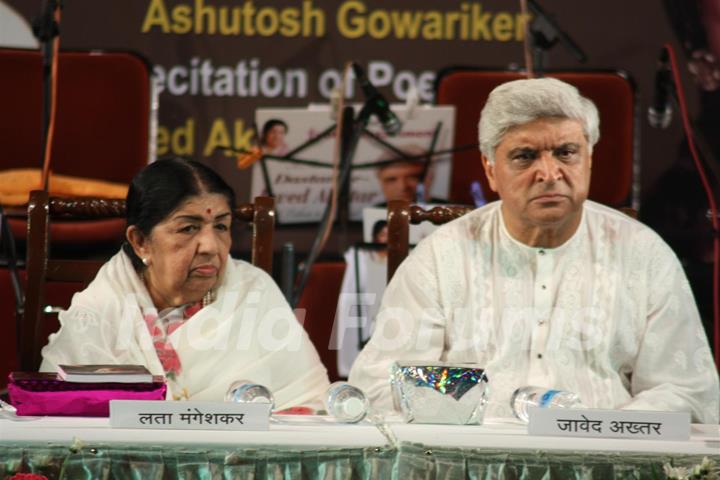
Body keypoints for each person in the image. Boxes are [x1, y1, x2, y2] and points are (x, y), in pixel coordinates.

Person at [349, 78, 719, 423]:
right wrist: (488, 421)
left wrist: (601, 433)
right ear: (491, 170)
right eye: (525, 156)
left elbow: (685, 390)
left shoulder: (644, 254)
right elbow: (383, 385)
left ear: (589, 159)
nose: (549, 173)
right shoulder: (440, 258)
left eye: (566, 152)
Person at [41, 158, 330, 406]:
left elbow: (308, 408)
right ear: (140, 242)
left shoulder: (254, 291)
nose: (210, 246)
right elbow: (61, 421)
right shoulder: (102, 307)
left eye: (221, 226)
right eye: (188, 228)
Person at [334, 220, 388, 378]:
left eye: (389, 234)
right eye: (383, 234)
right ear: (375, 237)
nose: (386, 239)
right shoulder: (361, 257)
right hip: (367, 313)